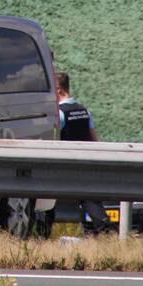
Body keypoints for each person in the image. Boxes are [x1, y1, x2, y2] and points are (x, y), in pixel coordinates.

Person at [56, 71, 111, 235]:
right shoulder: (84, 111)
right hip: (86, 162)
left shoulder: (59, 113)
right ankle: (102, 231)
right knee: (89, 199)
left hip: (66, 165)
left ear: (58, 88)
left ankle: (105, 230)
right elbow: (94, 139)